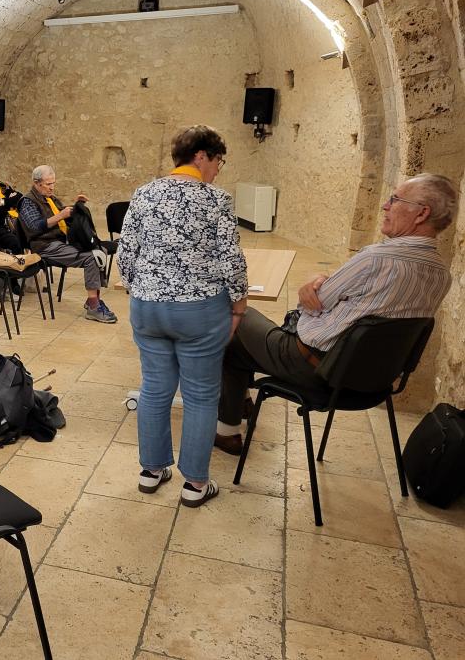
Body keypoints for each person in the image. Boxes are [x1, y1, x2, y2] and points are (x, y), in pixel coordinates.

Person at [216, 173, 458, 455]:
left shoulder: (374, 259)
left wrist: (314, 281)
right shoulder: (442, 275)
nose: (385, 205)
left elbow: (311, 303)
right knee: (236, 347)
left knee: (234, 315)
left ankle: (228, 429)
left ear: (421, 213)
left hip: (315, 367)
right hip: (372, 380)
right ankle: (236, 414)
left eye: (395, 199)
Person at [119, 125, 247, 507]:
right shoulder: (216, 199)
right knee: (201, 395)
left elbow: (125, 253)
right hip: (199, 311)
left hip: (147, 308)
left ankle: (151, 471)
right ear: (202, 156)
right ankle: (195, 484)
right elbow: (231, 259)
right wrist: (239, 305)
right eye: (219, 161)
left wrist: (141, 289)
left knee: (154, 388)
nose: (218, 169)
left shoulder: (144, 193)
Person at [18, 165, 116, 323]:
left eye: (53, 183)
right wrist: (60, 215)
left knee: (100, 250)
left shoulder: (50, 198)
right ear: (36, 183)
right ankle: (93, 307)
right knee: (92, 257)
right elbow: (35, 226)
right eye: (48, 184)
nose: (52, 187)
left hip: (60, 241)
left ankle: (94, 299)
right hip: (44, 246)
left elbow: (65, 215)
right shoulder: (27, 202)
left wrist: (77, 206)